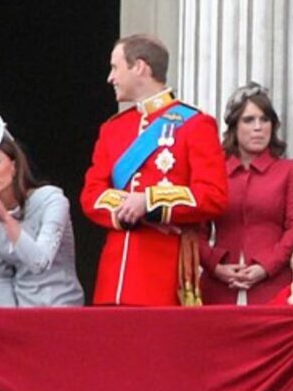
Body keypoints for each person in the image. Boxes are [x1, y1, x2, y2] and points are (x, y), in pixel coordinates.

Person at [80, 34, 228, 306]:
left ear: (140, 67)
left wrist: (149, 202)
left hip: (162, 276)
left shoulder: (195, 124)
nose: (110, 78)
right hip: (114, 279)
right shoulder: (113, 129)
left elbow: (213, 195)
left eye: (115, 67)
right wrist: (134, 210)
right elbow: (91, 195)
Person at [0, 113, 85, 307]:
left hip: (61, 306)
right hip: (20, 311)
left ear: (14, 165)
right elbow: (0, 273)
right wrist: (11, 319)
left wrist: (6, 219)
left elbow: (39, 262)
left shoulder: (51, 199)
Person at [199, 82, 293, 305]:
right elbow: (195, 229)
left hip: (274, 285)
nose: (258, 127)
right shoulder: (215, 171)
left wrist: (265, 267)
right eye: (249, 120)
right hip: (218, 287)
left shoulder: (290, 170)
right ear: (234, 126)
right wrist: (215, 266)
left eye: (265, 120)